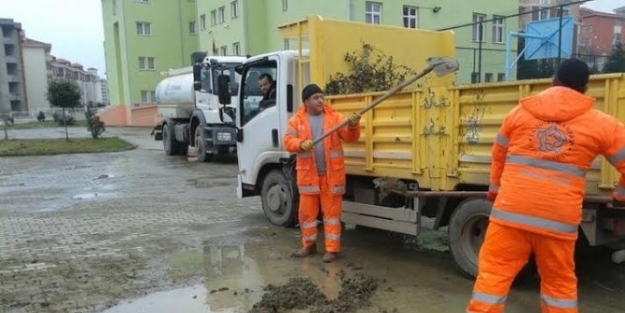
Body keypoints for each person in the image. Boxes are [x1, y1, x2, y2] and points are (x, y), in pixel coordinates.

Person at [466, 58, 625, 313]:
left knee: (493, 277)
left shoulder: (518, 114)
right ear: (585, 88)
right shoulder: (601, 123)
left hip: (510, 215)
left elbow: (498, 155)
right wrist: (620, 194)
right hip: (557, 222)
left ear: (553, 80)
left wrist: (495, 191)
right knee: (558, 285)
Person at [283, 83, 361, 262]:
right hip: (308, 176)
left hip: (331, 176)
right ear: (306, 102)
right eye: (316, 98)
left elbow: (351, 137)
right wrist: (300, 144)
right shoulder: (297, 120)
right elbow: (288, 141)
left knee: (332, 215)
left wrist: (353, 125)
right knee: (307, 215)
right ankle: (309, 245)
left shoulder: (334, 117)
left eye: (321, 97)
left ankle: (332, 250)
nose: (320, 100)